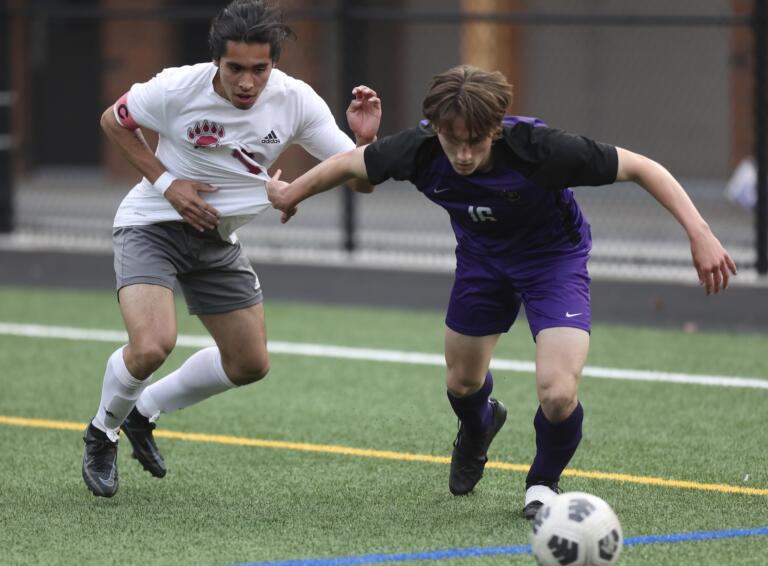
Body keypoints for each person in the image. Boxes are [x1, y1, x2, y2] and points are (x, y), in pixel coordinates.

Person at [265, 65, 737, 519]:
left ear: (496, 129)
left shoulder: (541, 149)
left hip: (553, 262)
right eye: (454, 142)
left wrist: (700, 233)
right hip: (482, 263)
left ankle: (542, 484)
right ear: (435, 129)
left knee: (558, 393)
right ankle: (479, 425)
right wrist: (291, 193)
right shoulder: (420, 148)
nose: (464, 155)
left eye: (476, 141)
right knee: (462, 383)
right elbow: (355, 167)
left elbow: (643, 167)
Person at [82, 0, 381, 498]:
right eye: (235, 68)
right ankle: (102, 431)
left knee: (249, 364)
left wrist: (365, 144)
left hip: (218, 238)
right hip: (151, 225)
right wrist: (167, 183)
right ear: (215, 61)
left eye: (259, 69)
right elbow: (113, 121)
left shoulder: (296, 100)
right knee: (154, 343)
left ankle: (143, 410)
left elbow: (360, 180)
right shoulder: (176, 88)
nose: (247, 82)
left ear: (274, 64)